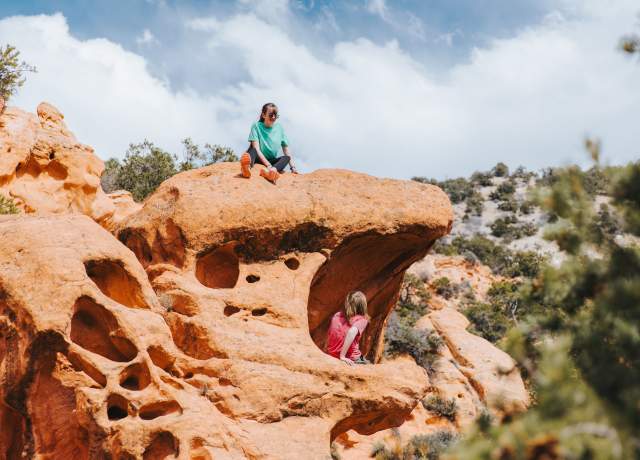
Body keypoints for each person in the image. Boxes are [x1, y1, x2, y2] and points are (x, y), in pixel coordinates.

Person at [240, 102, 298, 184]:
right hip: (258, 158)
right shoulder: (256, 126)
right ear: (264, 115)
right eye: (271, 115)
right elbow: (256, 148)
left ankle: (271, 173)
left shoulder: (279, 128)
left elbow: (286, 150)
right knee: (252, 150)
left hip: (271, 161)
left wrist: (293, 168)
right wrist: (268, 165)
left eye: (275, 114)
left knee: (286, 157)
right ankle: (246, 168)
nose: (273, 117)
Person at [326, 291, 370, 365]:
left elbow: (331, 333)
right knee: (369, 366)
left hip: (331, 353)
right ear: (363, 305)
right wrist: (342, 356)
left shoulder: (337, 315)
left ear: (347, 303)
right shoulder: (362, 320)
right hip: (352, 357)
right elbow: (351, 332)